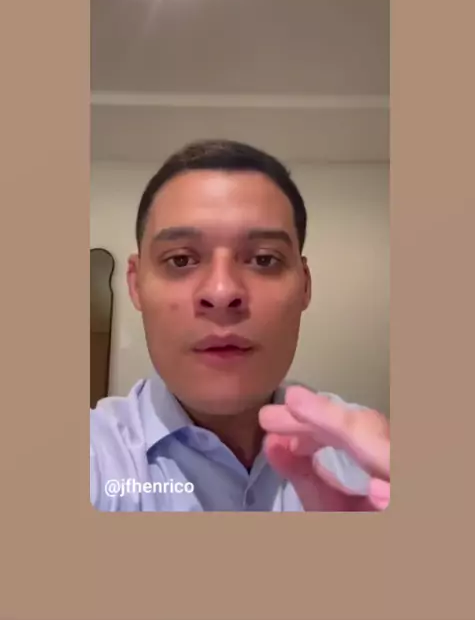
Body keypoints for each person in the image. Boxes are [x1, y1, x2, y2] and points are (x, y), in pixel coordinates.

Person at [90, 139, 390, 512]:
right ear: (136, 285)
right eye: (181, 260)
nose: (221, 292)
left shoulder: (368, 461)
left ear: (305, 285)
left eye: (264, 259)